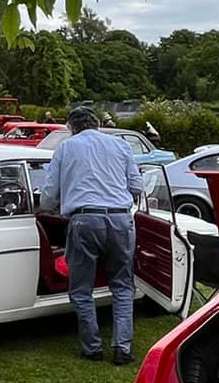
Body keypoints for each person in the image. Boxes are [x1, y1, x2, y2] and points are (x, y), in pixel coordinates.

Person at [37, 105, 142, 364]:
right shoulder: (121, 145)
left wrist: (49, 207)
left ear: (71, 127)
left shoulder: (65, 148)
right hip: (120, 218)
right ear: (96, 124)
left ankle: (92, 347)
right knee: (122, 285)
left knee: (81, 288)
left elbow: (49, 195)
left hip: (84, 219)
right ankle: (122, 347)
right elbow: (136, 186)